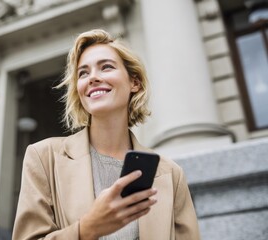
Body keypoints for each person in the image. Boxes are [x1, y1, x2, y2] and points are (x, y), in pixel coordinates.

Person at [12, 29, 200, 240]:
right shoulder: (43, 157)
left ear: (134, 83)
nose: (92, 77)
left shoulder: (171, 174)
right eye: (83, 73)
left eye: (106, 67)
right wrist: (88, 228)